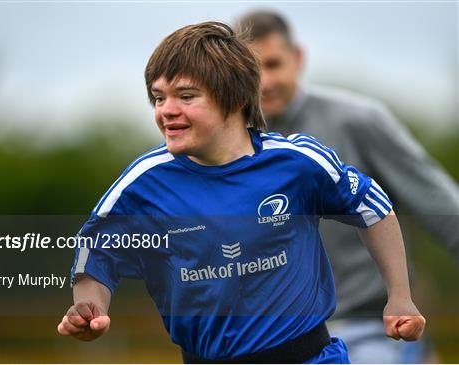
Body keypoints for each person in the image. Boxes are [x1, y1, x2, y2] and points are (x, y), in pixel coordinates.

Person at [57, 21, 425, 363]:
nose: (166, 110)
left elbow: (371, 207)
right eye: (158, 98)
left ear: (234, 99)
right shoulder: (143, 183)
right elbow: (97, 250)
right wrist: (90, 308)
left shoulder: (296, 163)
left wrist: (400, 296)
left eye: (186, 96)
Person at [235, 10, 458, 363]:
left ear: (298, 59)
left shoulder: (358, 121)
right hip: (280, 339)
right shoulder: (226, 149)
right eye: (252, 69)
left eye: (274, 64)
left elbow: (443, 207)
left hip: (374, 330)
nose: (264, 82)